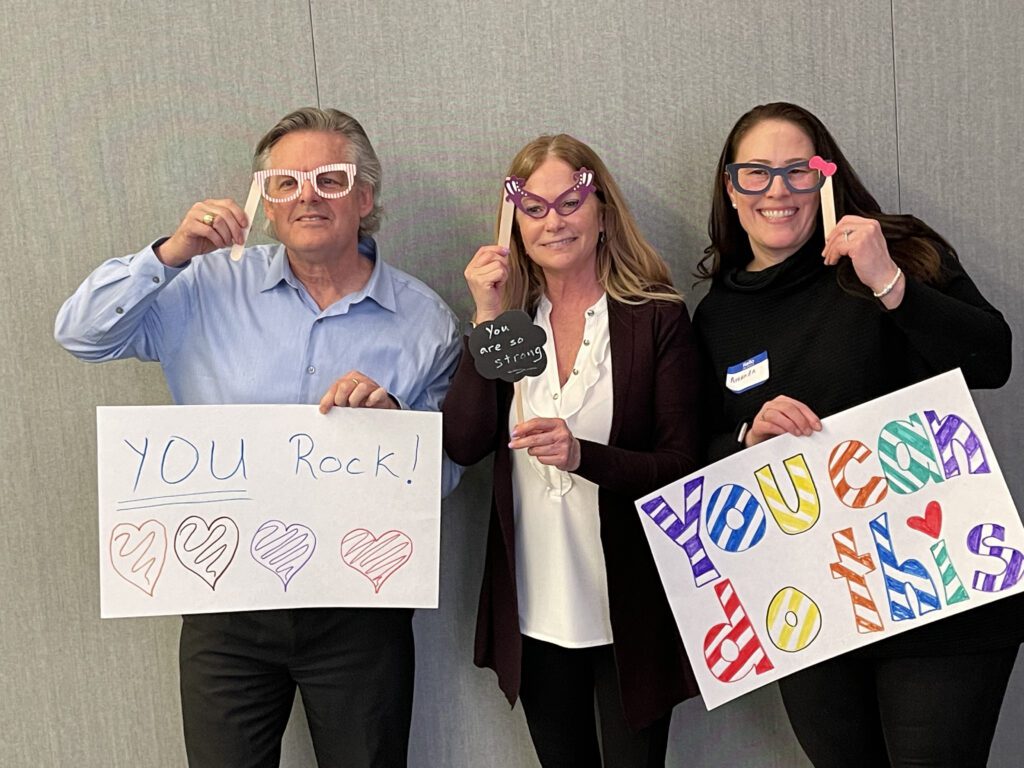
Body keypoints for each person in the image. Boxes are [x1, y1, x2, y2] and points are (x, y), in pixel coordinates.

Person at [55, 107, 461, 767]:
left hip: (360, 606)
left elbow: (446, 476)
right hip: (223, 608)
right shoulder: (201, 287)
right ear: (265, 203)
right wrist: (168, 254)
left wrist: (397, 443)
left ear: (365, 197)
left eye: (330, 179)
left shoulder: (426, 323)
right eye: (286, 182)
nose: (307, 195)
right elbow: (80, 333)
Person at [693, 101, 1019, 768]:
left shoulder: (889, 252)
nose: (777, 190)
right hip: (812, 606)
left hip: (940, 591)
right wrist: (746, 439)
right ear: (731, 187)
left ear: (826, 176)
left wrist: (890, 285)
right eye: (755, 173)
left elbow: (995, 361)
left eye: (797, 171)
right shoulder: (717, 315)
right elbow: (697, 458)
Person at [443, 134, 701, 767]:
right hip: (535, 609)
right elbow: (465, 443)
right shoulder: (512, 324)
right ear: (513, 227)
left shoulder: (654, 319)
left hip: (629, 611)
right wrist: (484, 313)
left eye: (569, 203)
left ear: (602, 212)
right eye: (533, 208)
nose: (553, 221)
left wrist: (585, 456)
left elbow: (682, 466)